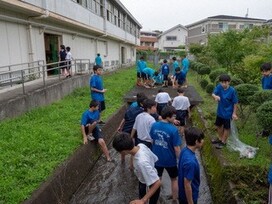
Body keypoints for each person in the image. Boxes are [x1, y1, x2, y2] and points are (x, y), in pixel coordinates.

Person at [112, 132, 161, 204]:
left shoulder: (141, 163)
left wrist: (143, 200)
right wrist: (131, 164)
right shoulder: (140, 145)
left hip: (150, 184)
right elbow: (153, 158)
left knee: (146, 200)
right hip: (144, 178)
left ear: (124, 151)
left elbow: (157, 182)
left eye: (119, 152)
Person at [150, 105, 182, 202]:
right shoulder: (173, 130)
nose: (175, 118)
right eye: (173, 116)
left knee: (157, 179)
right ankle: (175, 198)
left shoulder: (154, 125)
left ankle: (155, 198)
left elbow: (152, 140)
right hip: (170, 160)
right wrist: (180, 160)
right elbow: (176, 148)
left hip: (157, 158)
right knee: (174, 179)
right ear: (168, 117)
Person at [178, 127, 205, 204]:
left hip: (182, 193)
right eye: (202, 139)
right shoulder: (191, 162)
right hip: (189, 197)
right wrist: (190, 202)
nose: (203, 141)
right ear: (197, 141)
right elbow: (187, 184)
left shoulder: (184, 150)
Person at [212, 74, 238, 149]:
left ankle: (223, 142)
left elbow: (235, 102)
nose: (223, 84)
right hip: (220, 111)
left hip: (228, 113)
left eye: (225, 82)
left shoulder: (232, 90)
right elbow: (213, 93)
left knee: (227, 128)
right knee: (218, 125)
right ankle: (220, 138)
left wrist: (234, 113)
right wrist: (215, 96)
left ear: (229, 82)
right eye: (222, 82)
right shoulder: (219, 87)